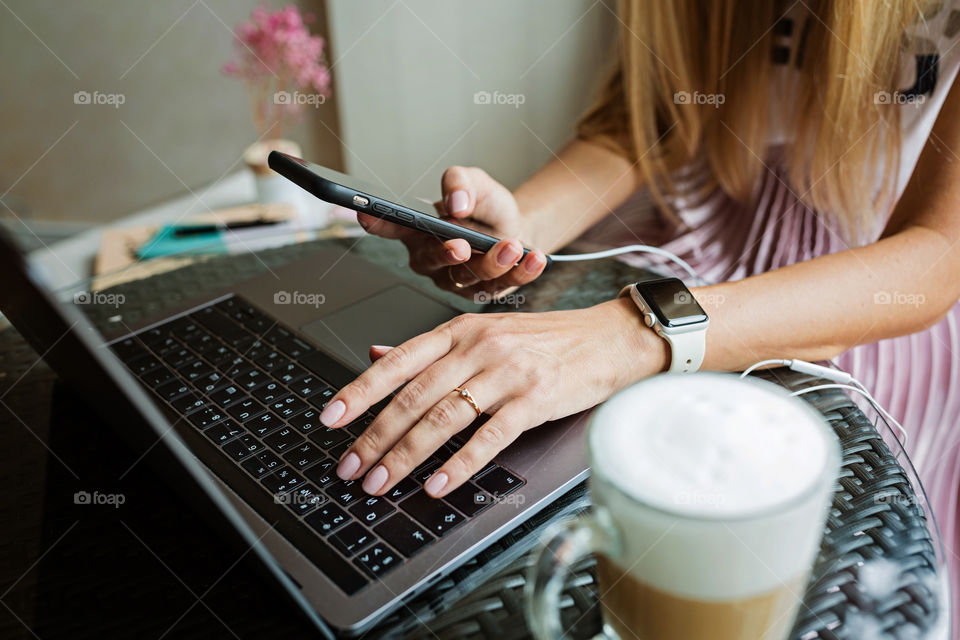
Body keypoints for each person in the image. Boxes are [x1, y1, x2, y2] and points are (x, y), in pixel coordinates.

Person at [318, 0, 960, 617]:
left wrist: (631, 332)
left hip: (852, 300)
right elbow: (647, 127)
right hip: (686, 244)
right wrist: (523, 227)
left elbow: (936, 253)